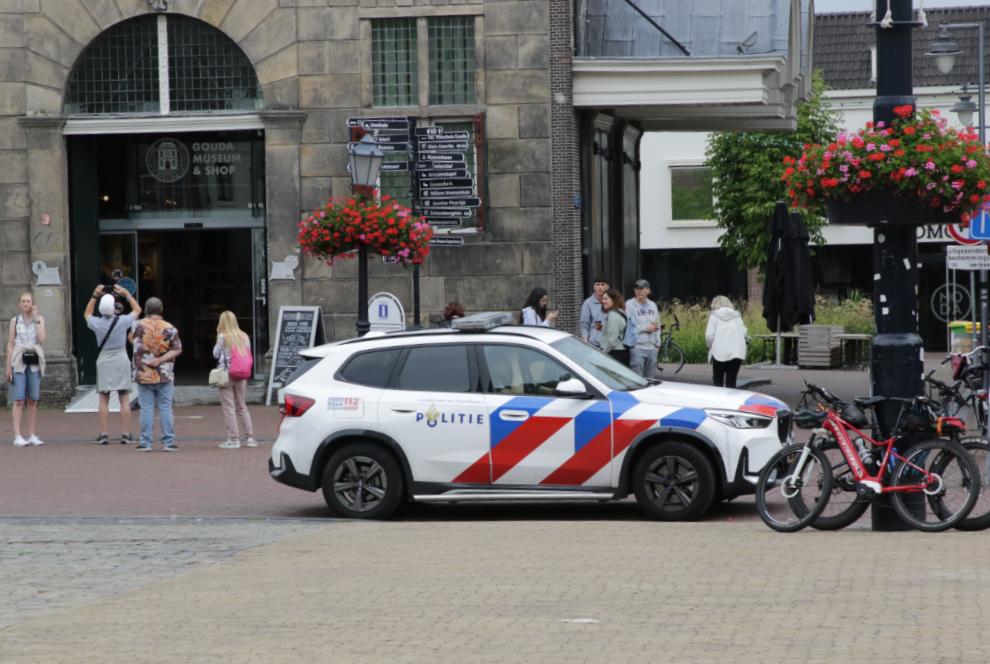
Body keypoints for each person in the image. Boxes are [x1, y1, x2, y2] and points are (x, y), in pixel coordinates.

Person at [84, 285, 141, 445]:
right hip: (121, 359)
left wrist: (94, 295)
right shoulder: (122, 321)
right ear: (114, 307)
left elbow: (87, 313)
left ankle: (103, 434)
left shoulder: (96, 323)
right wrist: (127, 294)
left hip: (104, 361)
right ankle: (125, 434)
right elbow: (137, 310)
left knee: (103, 399)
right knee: (124, 399)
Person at [130, 297, 182, 452]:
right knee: (165, 407)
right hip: (164, 373)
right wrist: (159, 359)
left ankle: (146, 443)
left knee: (146, 408)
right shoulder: (170, 328)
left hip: (144, 373)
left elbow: (132, 340)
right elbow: (177, 349)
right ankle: (168, 442)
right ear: (161, 309)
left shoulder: (136, 325)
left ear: (145, 310)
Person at [6, 292, 46, 447]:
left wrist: (36, 318)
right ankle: (17, 435)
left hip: (34, 360)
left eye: (29, 301)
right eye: (23, 301)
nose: (26, 304)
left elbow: (42, 338)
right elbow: (10, 344)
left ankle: (31, 434)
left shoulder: (40, 319)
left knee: (32, 400)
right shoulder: (14, 321)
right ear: (19, 304)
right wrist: (8, 366)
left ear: (33, 304)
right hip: (19, 359)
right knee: (18, 399)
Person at [214, 311, 256, 449]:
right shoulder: (244, 336)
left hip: (226, 375)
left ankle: (234, 439)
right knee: (242, 406)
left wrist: (218, 337)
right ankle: (250, 438)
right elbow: (247, 356)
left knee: (229, 407)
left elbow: (215, 354)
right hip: (241, 375)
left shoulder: (222, 337)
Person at [705, 295, 748, 389]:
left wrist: (711, 346)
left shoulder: (714, 316)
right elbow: (743, 331)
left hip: (719, 352)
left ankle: (719, 400)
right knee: (732, 379)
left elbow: (709, 335)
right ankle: (730, 400)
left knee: (718, 378)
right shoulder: (736, 315)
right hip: (736, 351)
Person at [625, 279, 661, 379]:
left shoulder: (652, 305)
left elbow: (657, 325)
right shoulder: (629, 305)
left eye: (641, 288)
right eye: (636, 288)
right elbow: (629, 327)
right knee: (637, 379)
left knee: (650, 379)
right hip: (638, 348)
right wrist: (645, 328)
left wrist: (657, 346)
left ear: (648, 291)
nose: (638, 291)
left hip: (652, 349)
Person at [599, 288, 630, 365]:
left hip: (615, 353)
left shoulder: (612, 315)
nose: (603, 301)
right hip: (624, 351)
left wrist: (603, 352)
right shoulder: (621, 312)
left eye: (606, 299)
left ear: (614, 300)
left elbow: (612, 340)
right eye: (603, 299)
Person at [580, 276, 609, 347]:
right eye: (598, 284)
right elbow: (584, 324)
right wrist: (585, 341)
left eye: (603, 285)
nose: (600, 287)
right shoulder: (588, 303)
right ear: (594, 287)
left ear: (607, 287)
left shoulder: (612, 302)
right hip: (594, 344)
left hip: (610, 344)